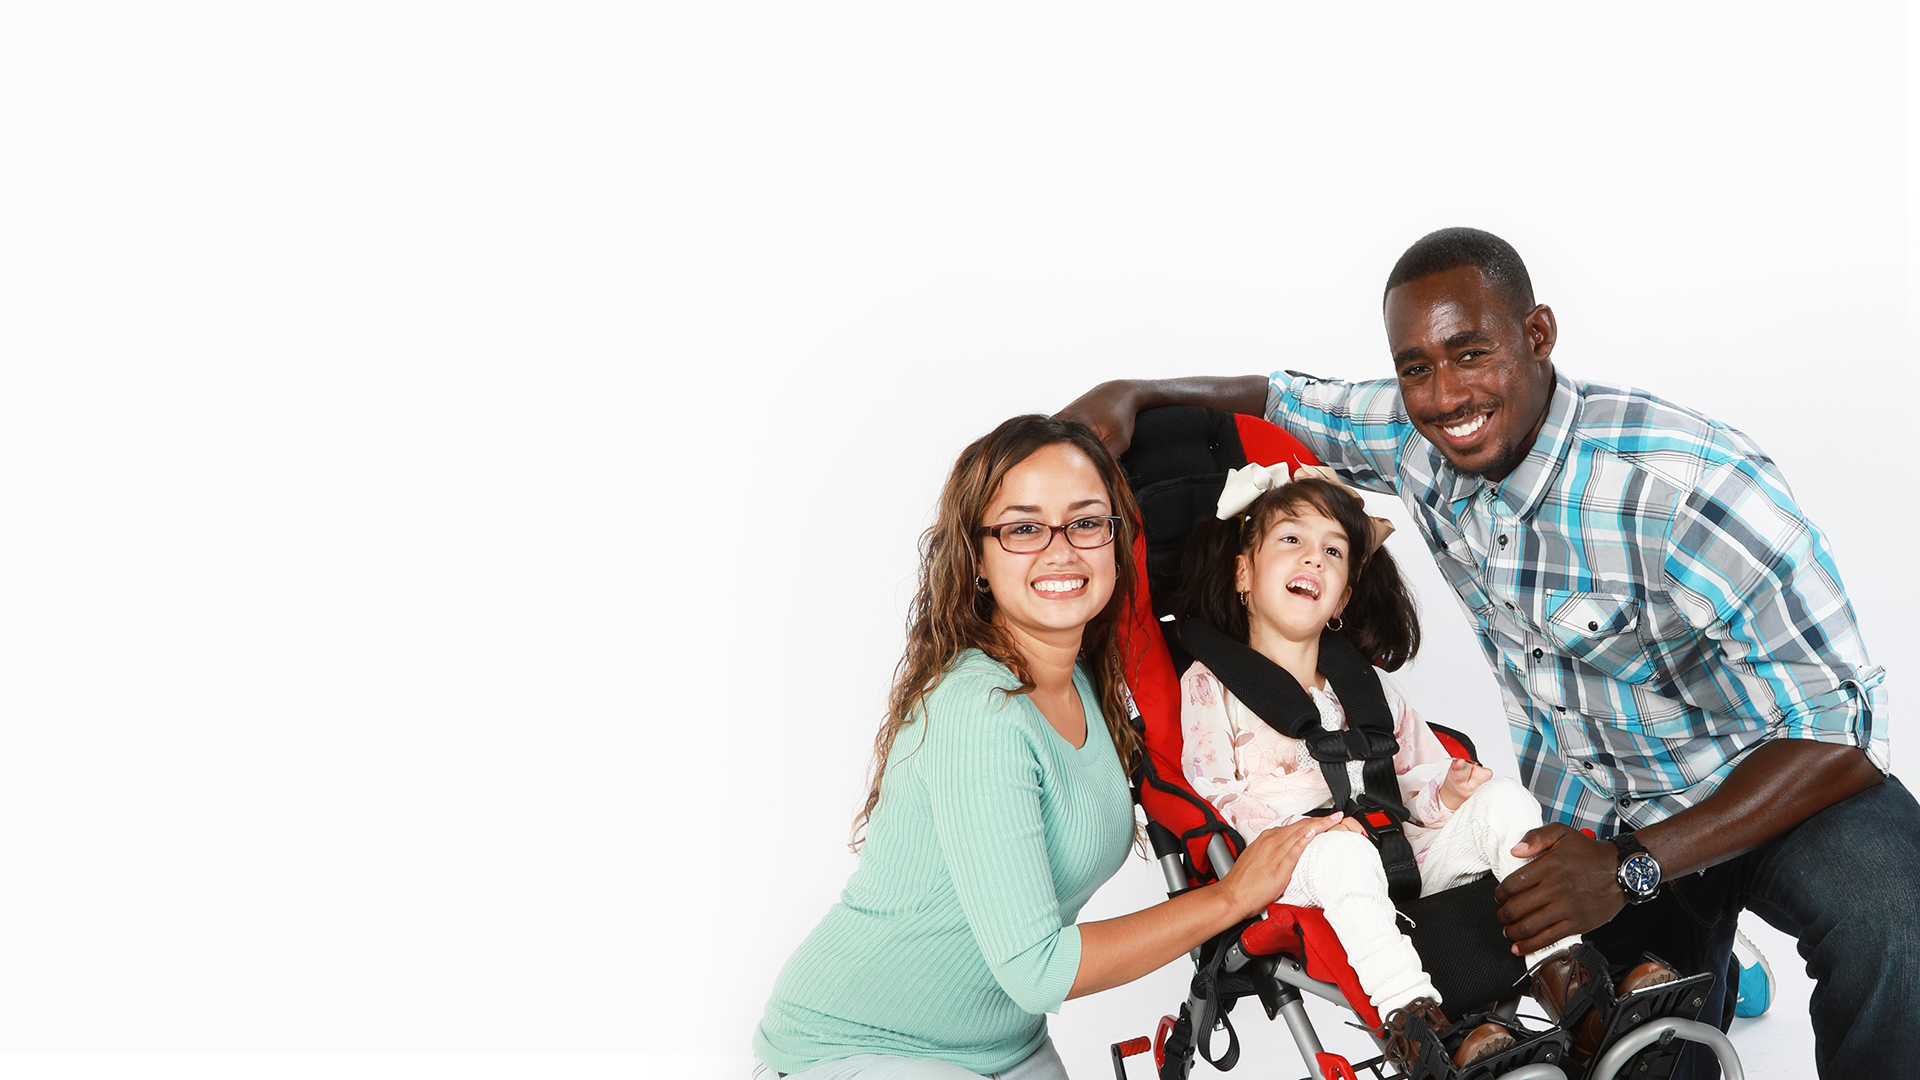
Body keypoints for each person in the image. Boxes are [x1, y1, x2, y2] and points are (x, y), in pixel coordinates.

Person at [1059, 227, 1917, 1079]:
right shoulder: (1421, 436)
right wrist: (1131, 389)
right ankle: (1714, 951)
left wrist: (1639, 866)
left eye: (1471, 354)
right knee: (1636, 1053)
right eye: (1416, 368)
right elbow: (1279, 399)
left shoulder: (1687, 489)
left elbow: (1841, 726)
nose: (1443, 395)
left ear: (1537, 335)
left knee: (1898, 921)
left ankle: (1727, 925)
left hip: (1772, 784)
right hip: (1596, 823)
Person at [753, 415, 1344, 1079]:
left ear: (1117, 543)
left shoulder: (1089, 679)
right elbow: (1039, 970)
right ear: (977, 555)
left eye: (1087, 522)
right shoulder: (979, 712)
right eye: (1024, 528)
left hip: (1008, 1049)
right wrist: (1231, 899)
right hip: (860, 1047)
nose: (1061, 552)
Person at [1176, 466, 1600, 1067]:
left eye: (1332, 551)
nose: (1313, 559)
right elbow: (1215, 794)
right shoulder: (1209, 686)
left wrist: (1450, 794)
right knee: (1344, 853)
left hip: (1397, 847)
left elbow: (1415, 780)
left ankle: (1570, 981)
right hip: (1296, 864)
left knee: (1504, 799)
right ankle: (1421, 1028)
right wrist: (1309, 830)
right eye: (1291, 540)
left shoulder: (1363, 686)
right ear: (1243, 573)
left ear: (1344, 597)